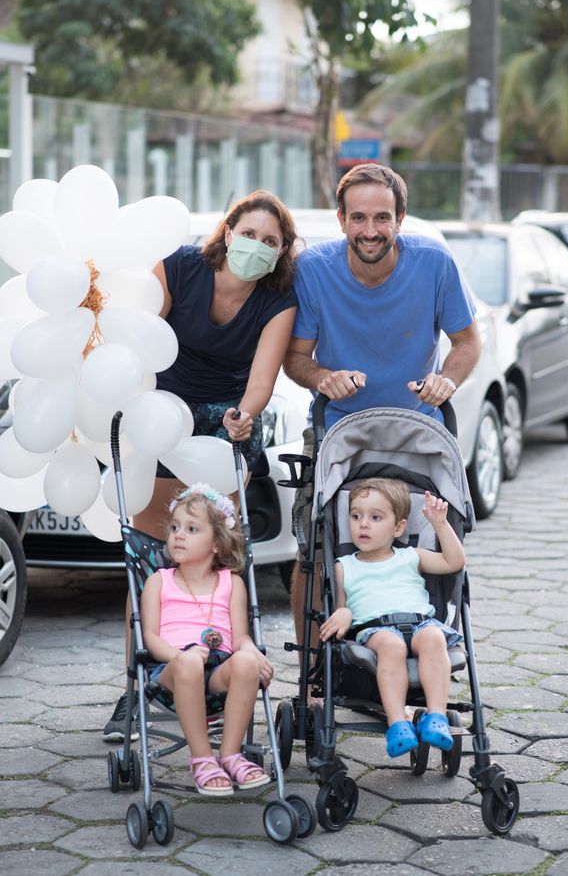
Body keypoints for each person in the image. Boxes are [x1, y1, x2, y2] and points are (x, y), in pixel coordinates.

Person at [103, 190, 297, 740]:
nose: (257, 246)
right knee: (153, 564)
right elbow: (140, 339)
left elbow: (262, 381)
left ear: (281, 253)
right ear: (228, 231)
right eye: (250, 233)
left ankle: (221, 677)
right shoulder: (182, 267)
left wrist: (245, 418)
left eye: (271, 242)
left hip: (225, 424)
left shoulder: (277, 301)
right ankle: (138, 688)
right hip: (160, 415)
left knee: (219, 561)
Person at [283, 163, 480, 647]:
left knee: (426, 536)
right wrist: (324, 378)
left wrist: (445, 381)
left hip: (419, 430)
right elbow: (295, 358)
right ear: (341, 219)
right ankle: (315, 669)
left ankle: (424, 647)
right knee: (313, 547)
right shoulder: (314, 270)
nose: (370, 231)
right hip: (338, 429)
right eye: (359, 218)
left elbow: (468, 342)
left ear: (400, 219)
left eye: (382, 218)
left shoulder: (434, 264)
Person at [140, 482, 274, 793]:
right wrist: (179, 657)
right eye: (175, 527)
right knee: (188, 663)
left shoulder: (231, 584)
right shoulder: (159, 582)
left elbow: (241, 637)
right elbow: (149, 637)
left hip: (217, 668)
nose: (179, 535)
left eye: (191, 528)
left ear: (216, 543)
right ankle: (202, 758)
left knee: (244, 662)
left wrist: (253, 653)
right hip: (172, 669)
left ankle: (230, 754)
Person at [319, 478, 465, 757]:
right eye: (356, 516)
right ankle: (397, 722)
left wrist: (440, 524)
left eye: (375, 517)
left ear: (399, 527)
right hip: (377, 629)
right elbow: (341, 606)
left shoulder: (411, 556)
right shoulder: (344, 566)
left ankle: (436, 716)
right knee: (391, 646)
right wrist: (344, 613)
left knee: (435, 638)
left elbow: (454, 562)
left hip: (421, 622)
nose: (363, 524)